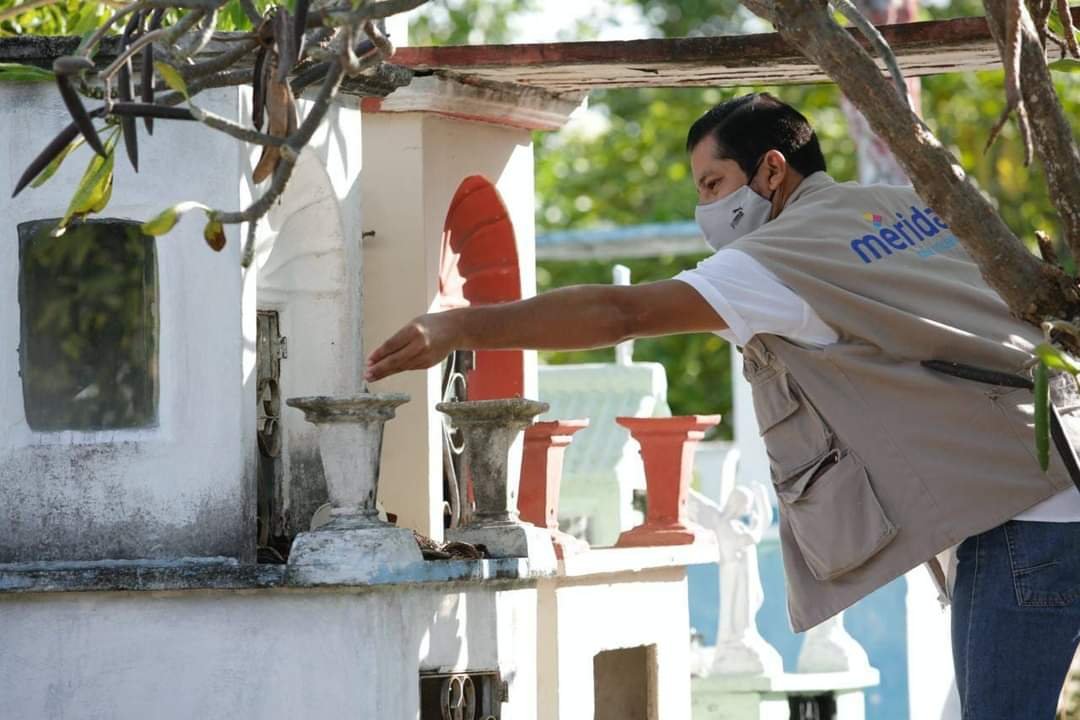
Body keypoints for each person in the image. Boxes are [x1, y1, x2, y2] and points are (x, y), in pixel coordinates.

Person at [365, 93, 1080, 718]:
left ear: (772, 172)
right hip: (1061, 466)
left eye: (714, 184)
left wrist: (460, 327)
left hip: (1022, 514)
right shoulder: (901, 208)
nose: (705, 210)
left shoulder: (777, 258)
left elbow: (619, 312)